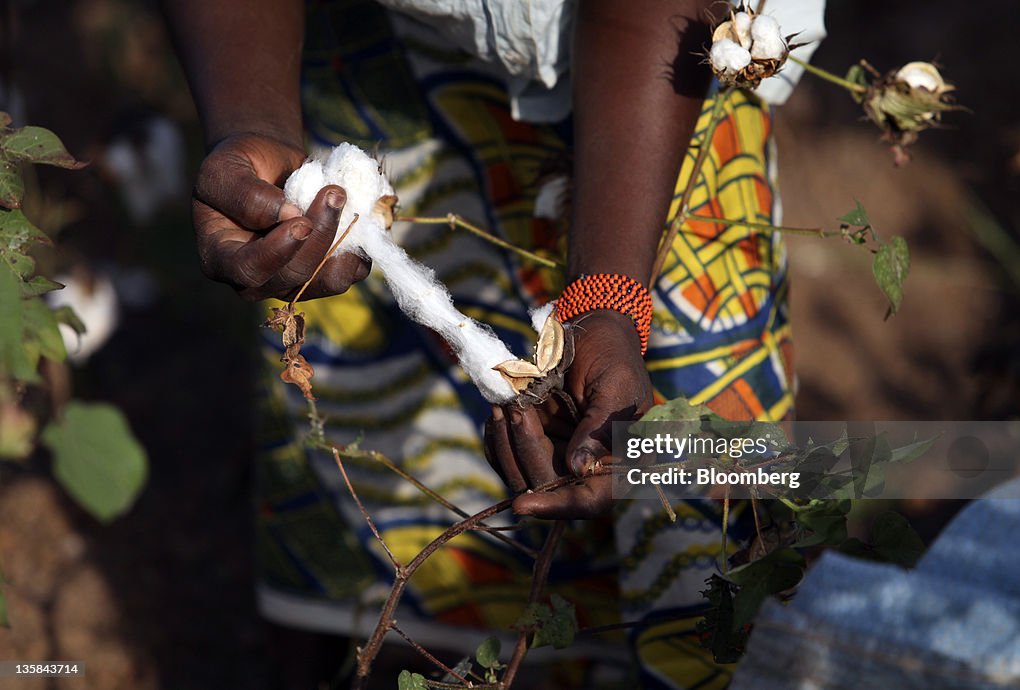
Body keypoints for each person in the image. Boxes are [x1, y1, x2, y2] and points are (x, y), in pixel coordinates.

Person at [164, 1, 825, 686]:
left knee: (705, 509)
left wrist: (609, 302)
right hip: (367, 60)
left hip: (656, 88)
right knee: (367, 451)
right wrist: (253, 123)